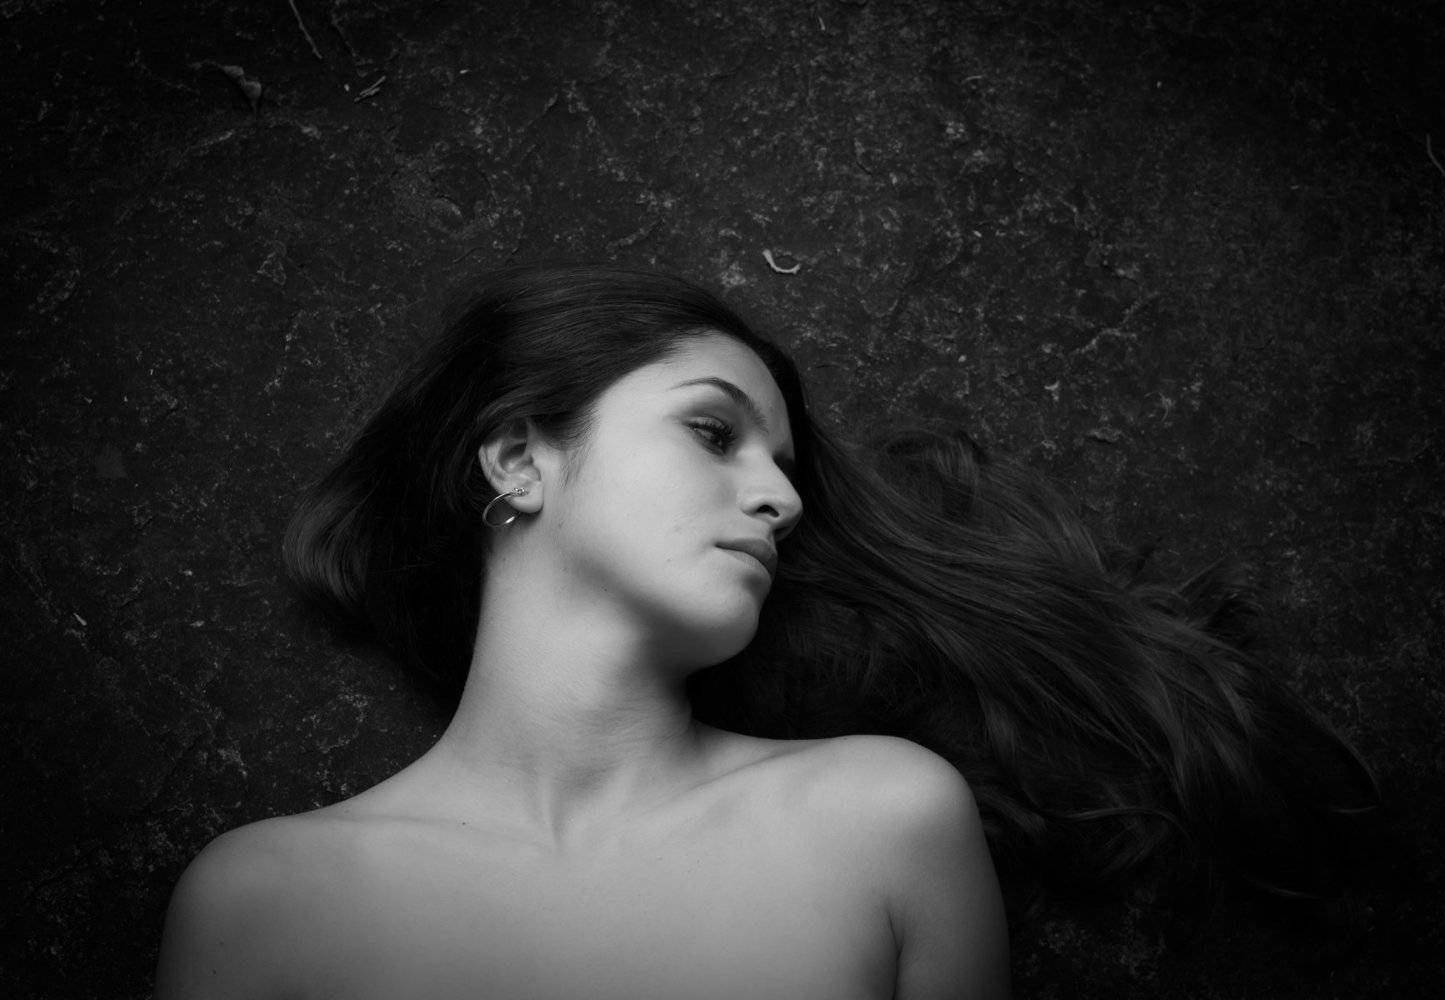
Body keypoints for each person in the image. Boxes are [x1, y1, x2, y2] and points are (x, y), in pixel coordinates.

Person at [155, 263, 1372, 999]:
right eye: (712, 431)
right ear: (520, 458)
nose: (781, 499)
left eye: (785, 468)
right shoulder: (264, 903)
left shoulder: (883, 819)